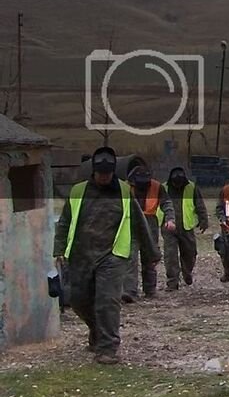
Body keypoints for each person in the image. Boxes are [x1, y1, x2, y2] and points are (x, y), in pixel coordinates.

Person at [53, 147, 157, 364]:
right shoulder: (78, 191)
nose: (104, 178)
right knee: (78, 300)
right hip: (81, 254)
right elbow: (64, 222)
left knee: (107, 301)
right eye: (100, 174)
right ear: (94, 171)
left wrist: (151, 253)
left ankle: (108, 348)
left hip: (112, 255)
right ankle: (97, 331)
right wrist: (59, 249)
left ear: (113, 172)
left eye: (108, 174)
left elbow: (139, 221)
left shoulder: (124, 191)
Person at [124, 162, 173, 302]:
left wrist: (170, 219)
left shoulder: (157, 187)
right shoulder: (124, 188)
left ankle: (150, 289)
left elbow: (167, 203)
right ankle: (129, 291)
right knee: (130, 259)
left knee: (150, 258)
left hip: (150, 224)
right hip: (131, 224)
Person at [162, 166, 209, 290]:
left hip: (186, 226)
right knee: (170, 256)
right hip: (168, 227)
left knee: (190, 253)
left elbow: (199, 204)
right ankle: (172, 281)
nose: (177, 185)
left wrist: (203, 220)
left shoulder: (191, 187)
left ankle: (187, 272)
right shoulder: (164, 188)